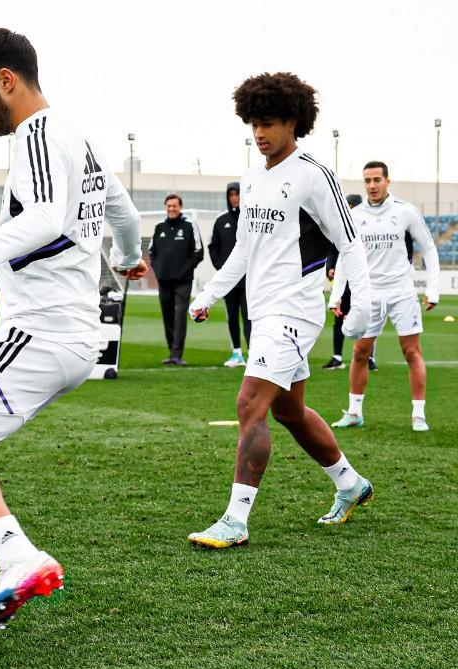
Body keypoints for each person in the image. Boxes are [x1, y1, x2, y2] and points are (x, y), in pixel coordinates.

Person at [0, 28, 147, 631]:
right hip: (68, 332)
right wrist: (127, 255)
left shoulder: (38, 134)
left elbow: (42, 218)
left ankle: (19, 558)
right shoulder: (78, 137)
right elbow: (125, 213)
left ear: (6, 80)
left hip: (39, 330)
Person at [186, 72, 375, 550]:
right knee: (290, 410)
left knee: (250, 403)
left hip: (295, 311)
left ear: (294, 121)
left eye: (268, 123)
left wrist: (364, 306)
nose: (259, 133)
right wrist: (210, 293)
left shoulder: (314, 174)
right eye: (253, 124)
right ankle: (351, 484)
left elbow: (349, 244)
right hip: (263, 310)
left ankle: (235, 520)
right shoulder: (252, 178)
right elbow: (244, 250)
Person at [329, 161, 440, 432]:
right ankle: (354, 412)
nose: (372, 185)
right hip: (369, 293)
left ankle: (418, 415)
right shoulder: (355, 216)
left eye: (377, 180)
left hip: (401, 291)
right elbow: (345, 257)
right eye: (367, 180)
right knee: (360, 352)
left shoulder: (406, 211)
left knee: (411, 352)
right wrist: (336, 296)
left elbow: (428, 248)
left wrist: (433, 289)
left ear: (387, 181)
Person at [149, 194, 203, 365]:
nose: (171, 209)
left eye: (175, 206)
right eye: (169, 206)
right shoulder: (159, 227)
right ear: (166, 208)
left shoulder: (189, 226)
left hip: (183, 281)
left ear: (180, 207)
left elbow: (198, 252)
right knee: (167, 316)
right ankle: (171, 350)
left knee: (180, 316)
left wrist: (184, 271)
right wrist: (158, 272)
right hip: (163, 280)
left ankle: (177, 355)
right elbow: (152, 252)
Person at [207, 182, 250, 366]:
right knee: (231, 317)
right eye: (231, 195)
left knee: (249, 317)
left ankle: (254, 354)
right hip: (229, 283)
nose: (234, 198)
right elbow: (213, 247)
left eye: (237, 194)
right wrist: (222, 268)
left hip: (249, 280)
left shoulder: (250, 219)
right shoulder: (221, 221)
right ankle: (237, 353)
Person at [322, 194, 366, 370]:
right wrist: (330, 268)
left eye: (349, 206)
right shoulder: (341, 228)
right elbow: (333, 251)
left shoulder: (365, 228)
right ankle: (337, 356)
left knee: (364, 319)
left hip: (361, 281)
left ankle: (368, 356)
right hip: (343, 281)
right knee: (339, 318)